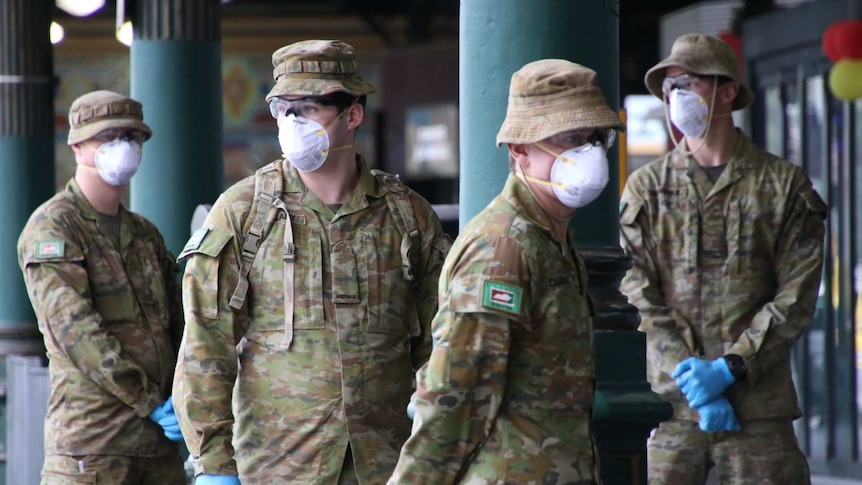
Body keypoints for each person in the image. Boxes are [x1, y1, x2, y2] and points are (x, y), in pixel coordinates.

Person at [173, 39, 451, 484]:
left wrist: (438, 448)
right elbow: (206, 345)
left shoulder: (406, 214)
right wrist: (214, 465)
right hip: (278, 465)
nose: (293, 122)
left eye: (308, 108)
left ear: (352, 115)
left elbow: (438, 344)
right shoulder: (245, 211)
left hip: (388, 465)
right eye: (284, 110)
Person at [388, 59, 625, 484]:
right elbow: (454, 394)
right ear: (519, 150)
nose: (587, 152)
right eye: (569, 138)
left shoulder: (549, 236)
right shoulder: (502, 247)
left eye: (594, 138)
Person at [620, 33, 826, 484]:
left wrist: (730, 368)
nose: (676, 98)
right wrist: (694, 381)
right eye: (669, 88)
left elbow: (796, 298)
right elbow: (639, 293)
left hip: (758, 409)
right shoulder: (647, 188)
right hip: (671, 407)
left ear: (727, 91)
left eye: (687, 83)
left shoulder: (783, 186)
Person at [17, 90, 186, 484]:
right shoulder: (54, 227)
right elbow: (77, 331)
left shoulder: (145, 234)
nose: (123, 147)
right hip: (92, 446)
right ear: (77, 145)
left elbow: (178, 321)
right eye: (107, 138)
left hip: (157, 447)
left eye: (132, 137)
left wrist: (184, 391)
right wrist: (150, 401)